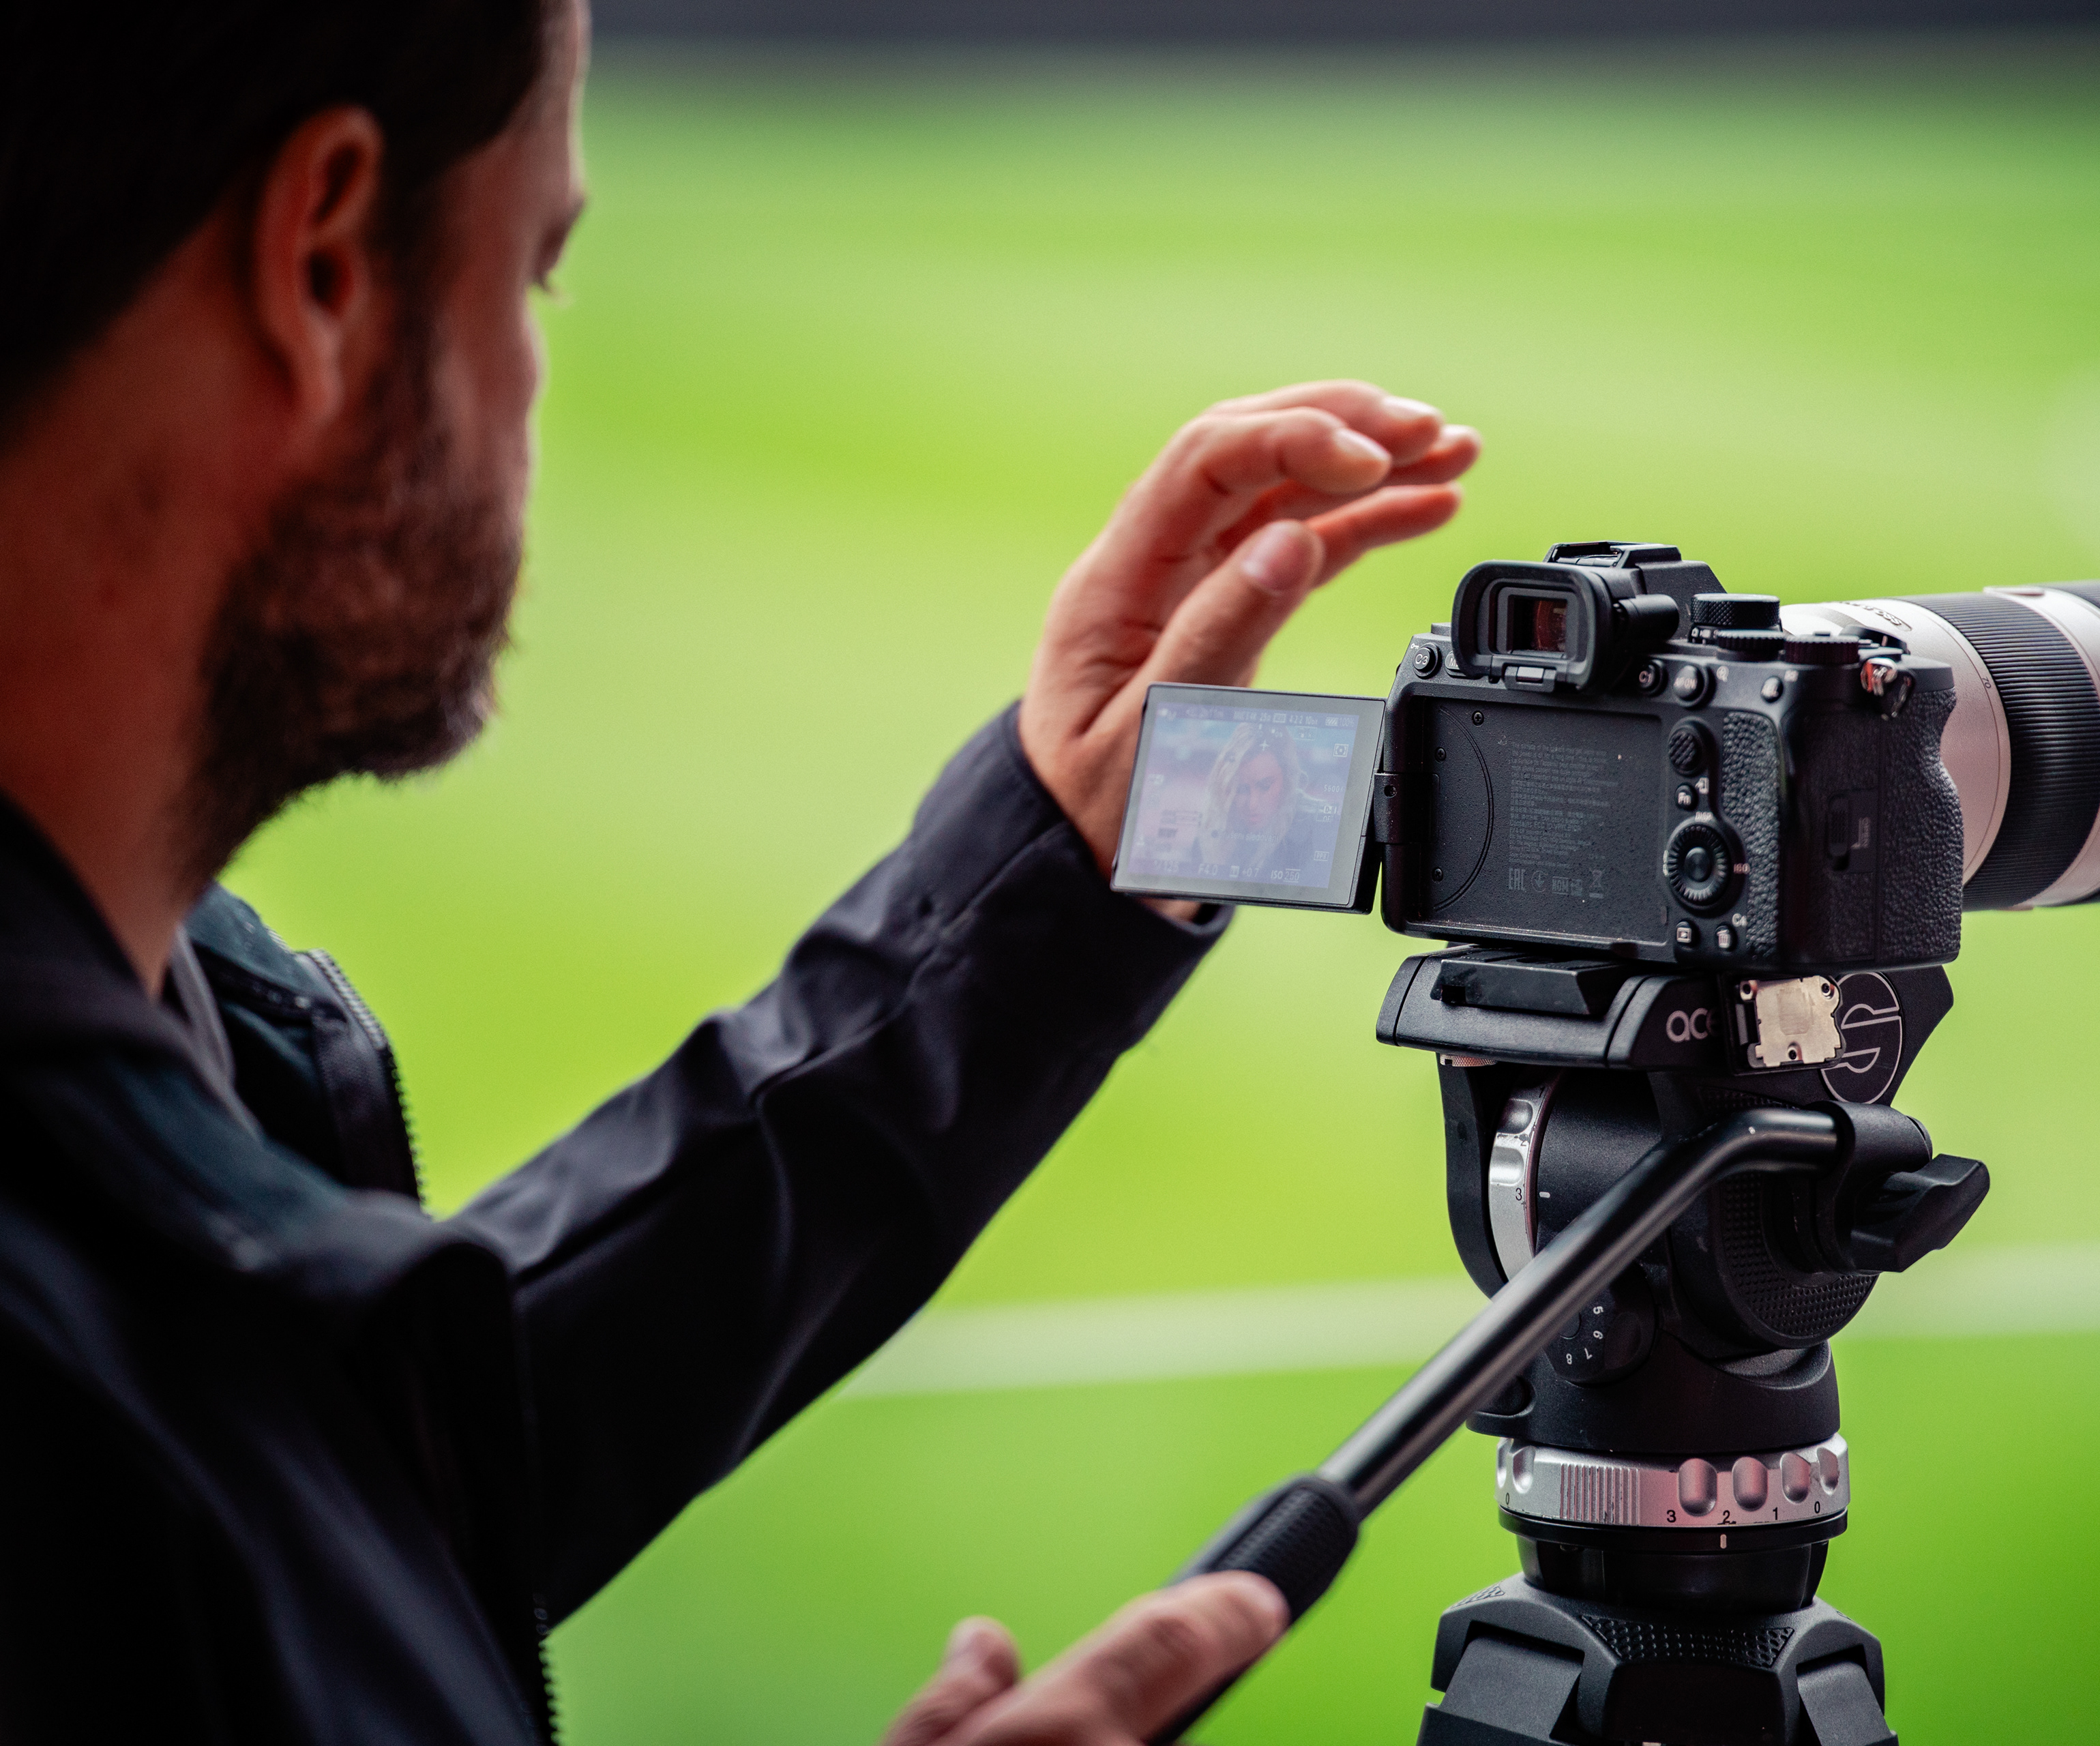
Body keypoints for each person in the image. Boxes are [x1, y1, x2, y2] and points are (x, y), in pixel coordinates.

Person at [0, 2, 1480, 1741]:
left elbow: (333, 1494)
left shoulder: (129, 1049)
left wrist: (1045, 887)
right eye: (537, 271)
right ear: (322, 263)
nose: (535, 374)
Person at [1197, 723, 1328, 884]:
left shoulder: (1319, 829)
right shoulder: (1214, 829)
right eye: (1241, 789)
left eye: (1265, 786)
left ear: (1287, 782)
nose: (1252, 804)